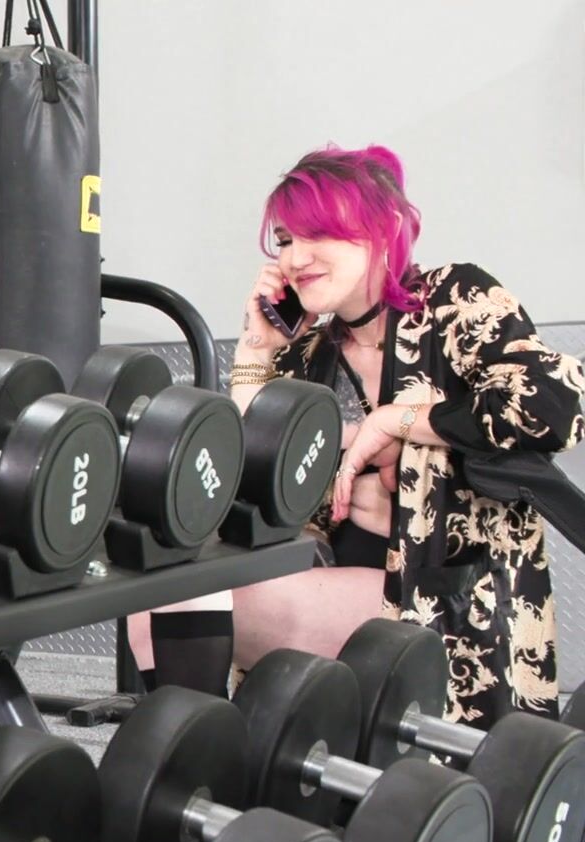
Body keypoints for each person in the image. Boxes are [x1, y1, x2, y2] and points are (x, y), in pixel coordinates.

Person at [133, 144, 583, 726]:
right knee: (157, 596)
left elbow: (553, 406)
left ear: (384, 229)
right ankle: (194, 753)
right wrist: (255, 351)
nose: (296, 257)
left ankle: (195, 754)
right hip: (333, 577)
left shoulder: (454, 302)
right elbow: (239, 492)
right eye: (285, 240)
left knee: (194, 594)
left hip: (446, 596)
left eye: (319, 233)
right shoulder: (306, 356)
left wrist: (397, 422)